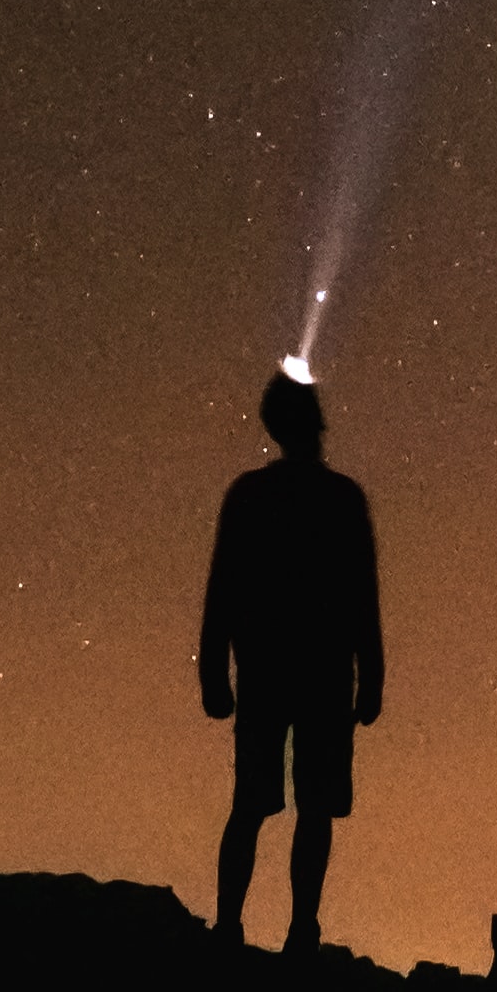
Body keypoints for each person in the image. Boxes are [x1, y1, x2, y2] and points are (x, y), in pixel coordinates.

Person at [201, 366, 384, 955]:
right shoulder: (338, 498)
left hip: (273, 670)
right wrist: (371, 674)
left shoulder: (254, 495)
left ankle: (246, 927)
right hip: (316, 673)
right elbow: (361, 594)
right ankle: (288, 929)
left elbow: (223, 588)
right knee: (302, 806)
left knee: (267, 805)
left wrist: (214, 670)